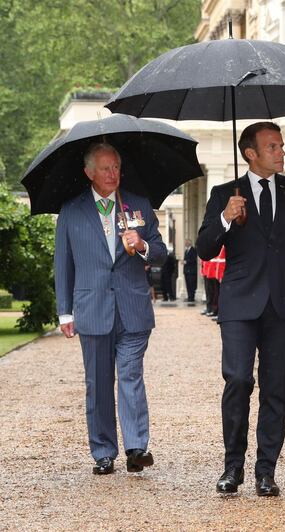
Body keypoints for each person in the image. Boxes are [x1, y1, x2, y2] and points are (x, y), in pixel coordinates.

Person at [196, 121, 285, 497]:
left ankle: (266, 470)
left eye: (282, 145)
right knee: (237, 380)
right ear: (251, 153)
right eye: (273, 147)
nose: (282, 152)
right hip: (239, 302)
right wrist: (225, 217)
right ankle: (232, 466)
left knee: (276, 389)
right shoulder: (225, 193)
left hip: (284, 304)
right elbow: (205, 248)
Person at [55, 142, 167, 475]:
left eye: (116, 167)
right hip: (92, 309)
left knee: (131, 376)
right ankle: (103, 451)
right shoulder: (71, 211)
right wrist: (65, 311)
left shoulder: (139, 206)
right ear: (89, 172)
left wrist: (142, 244)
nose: (112, 174)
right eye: (105, 168)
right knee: (99, 383)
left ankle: (136, 447)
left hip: (132, 306)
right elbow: (63, 263)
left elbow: (160, 252)